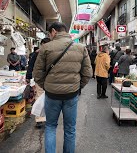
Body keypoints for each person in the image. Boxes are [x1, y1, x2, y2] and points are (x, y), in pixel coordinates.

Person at [33, 22, 92, 153]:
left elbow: (37, 74)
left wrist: (47, 87)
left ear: (53, 31)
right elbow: (88, 73)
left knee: (50, 127)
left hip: (52, 95)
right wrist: (77, 87)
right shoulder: (81, 47)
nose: (50, 35)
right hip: (71, 95)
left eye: (49, 33)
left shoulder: (46, 47)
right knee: (70, 129)